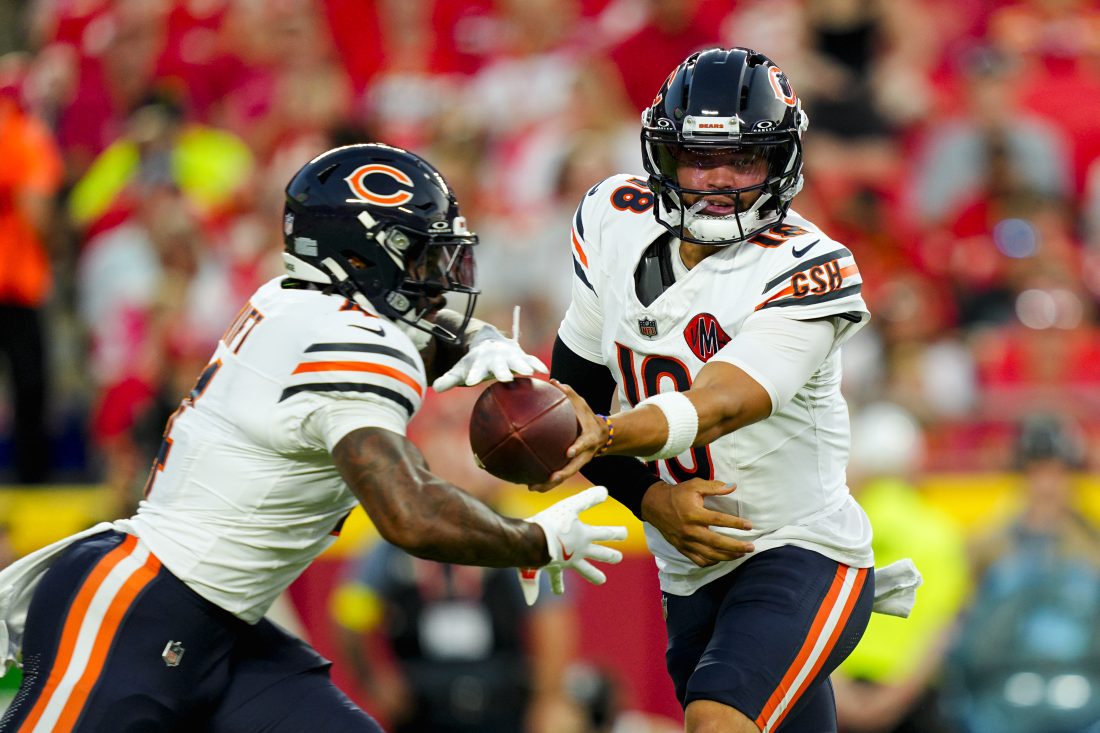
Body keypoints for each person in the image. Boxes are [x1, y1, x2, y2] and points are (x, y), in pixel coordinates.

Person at [0, 143, 627, 733]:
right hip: (140, 610)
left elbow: (405, 336)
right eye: (417, 253)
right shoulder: (355, 346)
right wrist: (531, 540)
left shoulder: (292, 299)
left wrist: (479, 338)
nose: (436, 276)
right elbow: (410, 515)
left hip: (225, 621)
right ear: (357, 257)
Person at [537, 48, 917, 733]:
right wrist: (649, 497)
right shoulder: (612, 218)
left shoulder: (812, 266)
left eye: (742, 161)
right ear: (663, 155)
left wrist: (608, 433)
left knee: (717, 718)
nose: (716, 181)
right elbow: (575, 396)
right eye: (698, 158)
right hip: (690, 571)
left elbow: (719, 402)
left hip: (803, 550)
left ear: (780, 163)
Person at [943, 414, 1100, 733]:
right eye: (1037, 472)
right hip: (1001, 697)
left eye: (1057, 472)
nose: (1047, 485)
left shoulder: (1092, 547)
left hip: (1082, 696)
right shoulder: (987, 545)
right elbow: (960, 624)